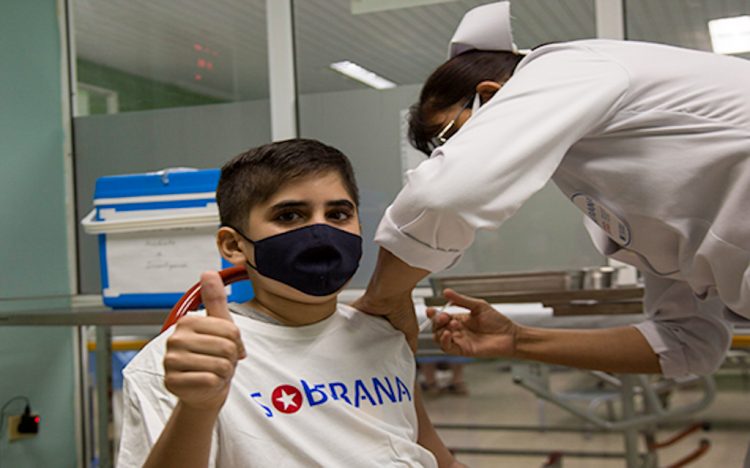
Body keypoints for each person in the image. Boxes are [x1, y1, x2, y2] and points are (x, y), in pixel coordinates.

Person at [353, 1, 750, 380]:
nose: (456, 155)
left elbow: (445, 196)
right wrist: (516, 340)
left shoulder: (567, 66)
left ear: (491, 95)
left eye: (451, 138)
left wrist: (382, 298)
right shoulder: (611, 177)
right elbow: (688, 344)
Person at [116, 139, 463, 468]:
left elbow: (432, 455)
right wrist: (197, 408)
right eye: (289, 216)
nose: (320, 231)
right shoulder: (187, 360)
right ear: (234, 246)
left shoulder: (382, 334)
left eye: (338, 214)